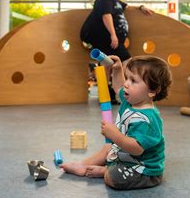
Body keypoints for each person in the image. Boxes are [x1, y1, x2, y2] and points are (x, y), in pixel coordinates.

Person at [61, 55, 172, 190]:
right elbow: (118, 86)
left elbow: (136, 149)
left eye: (133, 80)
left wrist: (115, 135)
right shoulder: (130, 100)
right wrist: (118, 69)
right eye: (127, 77)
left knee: (113, 179)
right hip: (125, 155)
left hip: (143, 169)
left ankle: (105, 171)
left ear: (152, 91)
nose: (126, 83)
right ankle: (83, 165)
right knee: (108, 148)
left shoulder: (147, 120)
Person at [80, 0, 154, 102]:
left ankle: (107, 95)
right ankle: (121, 91)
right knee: (127, 61)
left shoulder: (114, 0)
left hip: (111, 39)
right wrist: (113, 35)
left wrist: (141, 7)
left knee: (107, 65)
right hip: (106, 38)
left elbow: (127, 7)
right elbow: (106, 15)